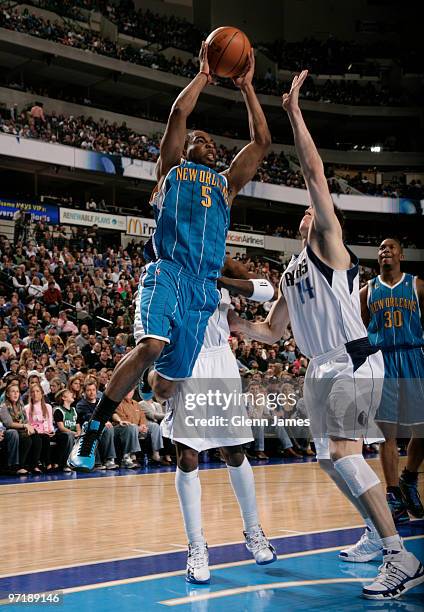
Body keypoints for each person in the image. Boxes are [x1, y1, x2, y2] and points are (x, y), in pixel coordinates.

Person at [229, 70, 424, 600]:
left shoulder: (332, 249)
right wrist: (240, 325)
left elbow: (313, 169)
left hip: (352, 360)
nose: (312, 208)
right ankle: (371, 530)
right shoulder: (293, 272)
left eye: (319, 205)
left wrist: (293, 112)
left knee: (343, 451)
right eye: (309, 209)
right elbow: (272, 333)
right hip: (319, 368)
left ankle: (399, 554)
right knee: (327, 457)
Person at [69, 42, 270, 471]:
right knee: (150, 345)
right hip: (168, 272)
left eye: (213, 142)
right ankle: (93, 430)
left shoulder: (226, 186)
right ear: (184, 149)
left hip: (202, 291)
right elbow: (178, 116)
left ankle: (148, 384)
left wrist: (247, 88)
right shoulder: (171, 170)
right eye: (201, 139)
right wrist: (204, 75)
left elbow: (262, 142)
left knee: (163, 387)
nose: (208, 144)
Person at [157, 257, 276, 583]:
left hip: (220, 360)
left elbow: (267, 291)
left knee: (235, 451)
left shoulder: (221, 262)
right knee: (188, 455)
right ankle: (196, 548)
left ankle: (253, 532)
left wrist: (223, 282)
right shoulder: (167, 262)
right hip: (186, 359)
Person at [360, 239, 424, 523]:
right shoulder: (367, 291)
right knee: (388, 432)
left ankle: (409, 477)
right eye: (381, 249)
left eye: (391, 248)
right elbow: (360, 329)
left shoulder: (418, 286)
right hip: (382, 361)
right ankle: (393, 492)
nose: (385, 251)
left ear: (401, 254)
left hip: (413, 358)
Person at [0, 381, 42, 474]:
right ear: (7, 394)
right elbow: (9, 424)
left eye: (17, 392)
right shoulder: (3, 406)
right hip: (8, 431)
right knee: (24, 438)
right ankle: (17, 466)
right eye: (13, 391)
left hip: (20, 430)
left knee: (36, 437)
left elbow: (25, 420)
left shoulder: (21, 405)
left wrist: (29, 427)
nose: (16, 394)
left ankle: (33, 465)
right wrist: (25, 426)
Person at [53, 388, 80, 473]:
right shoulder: (58, 410)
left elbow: (78, 425)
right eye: (69, 393)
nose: (72, 394)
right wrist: (73, 433)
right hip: (62, 434)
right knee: (69, 436)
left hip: (73, 433)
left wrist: (79, 433)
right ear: (63, 398)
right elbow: (61, 427)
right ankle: (66, 463)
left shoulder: (74, 410)